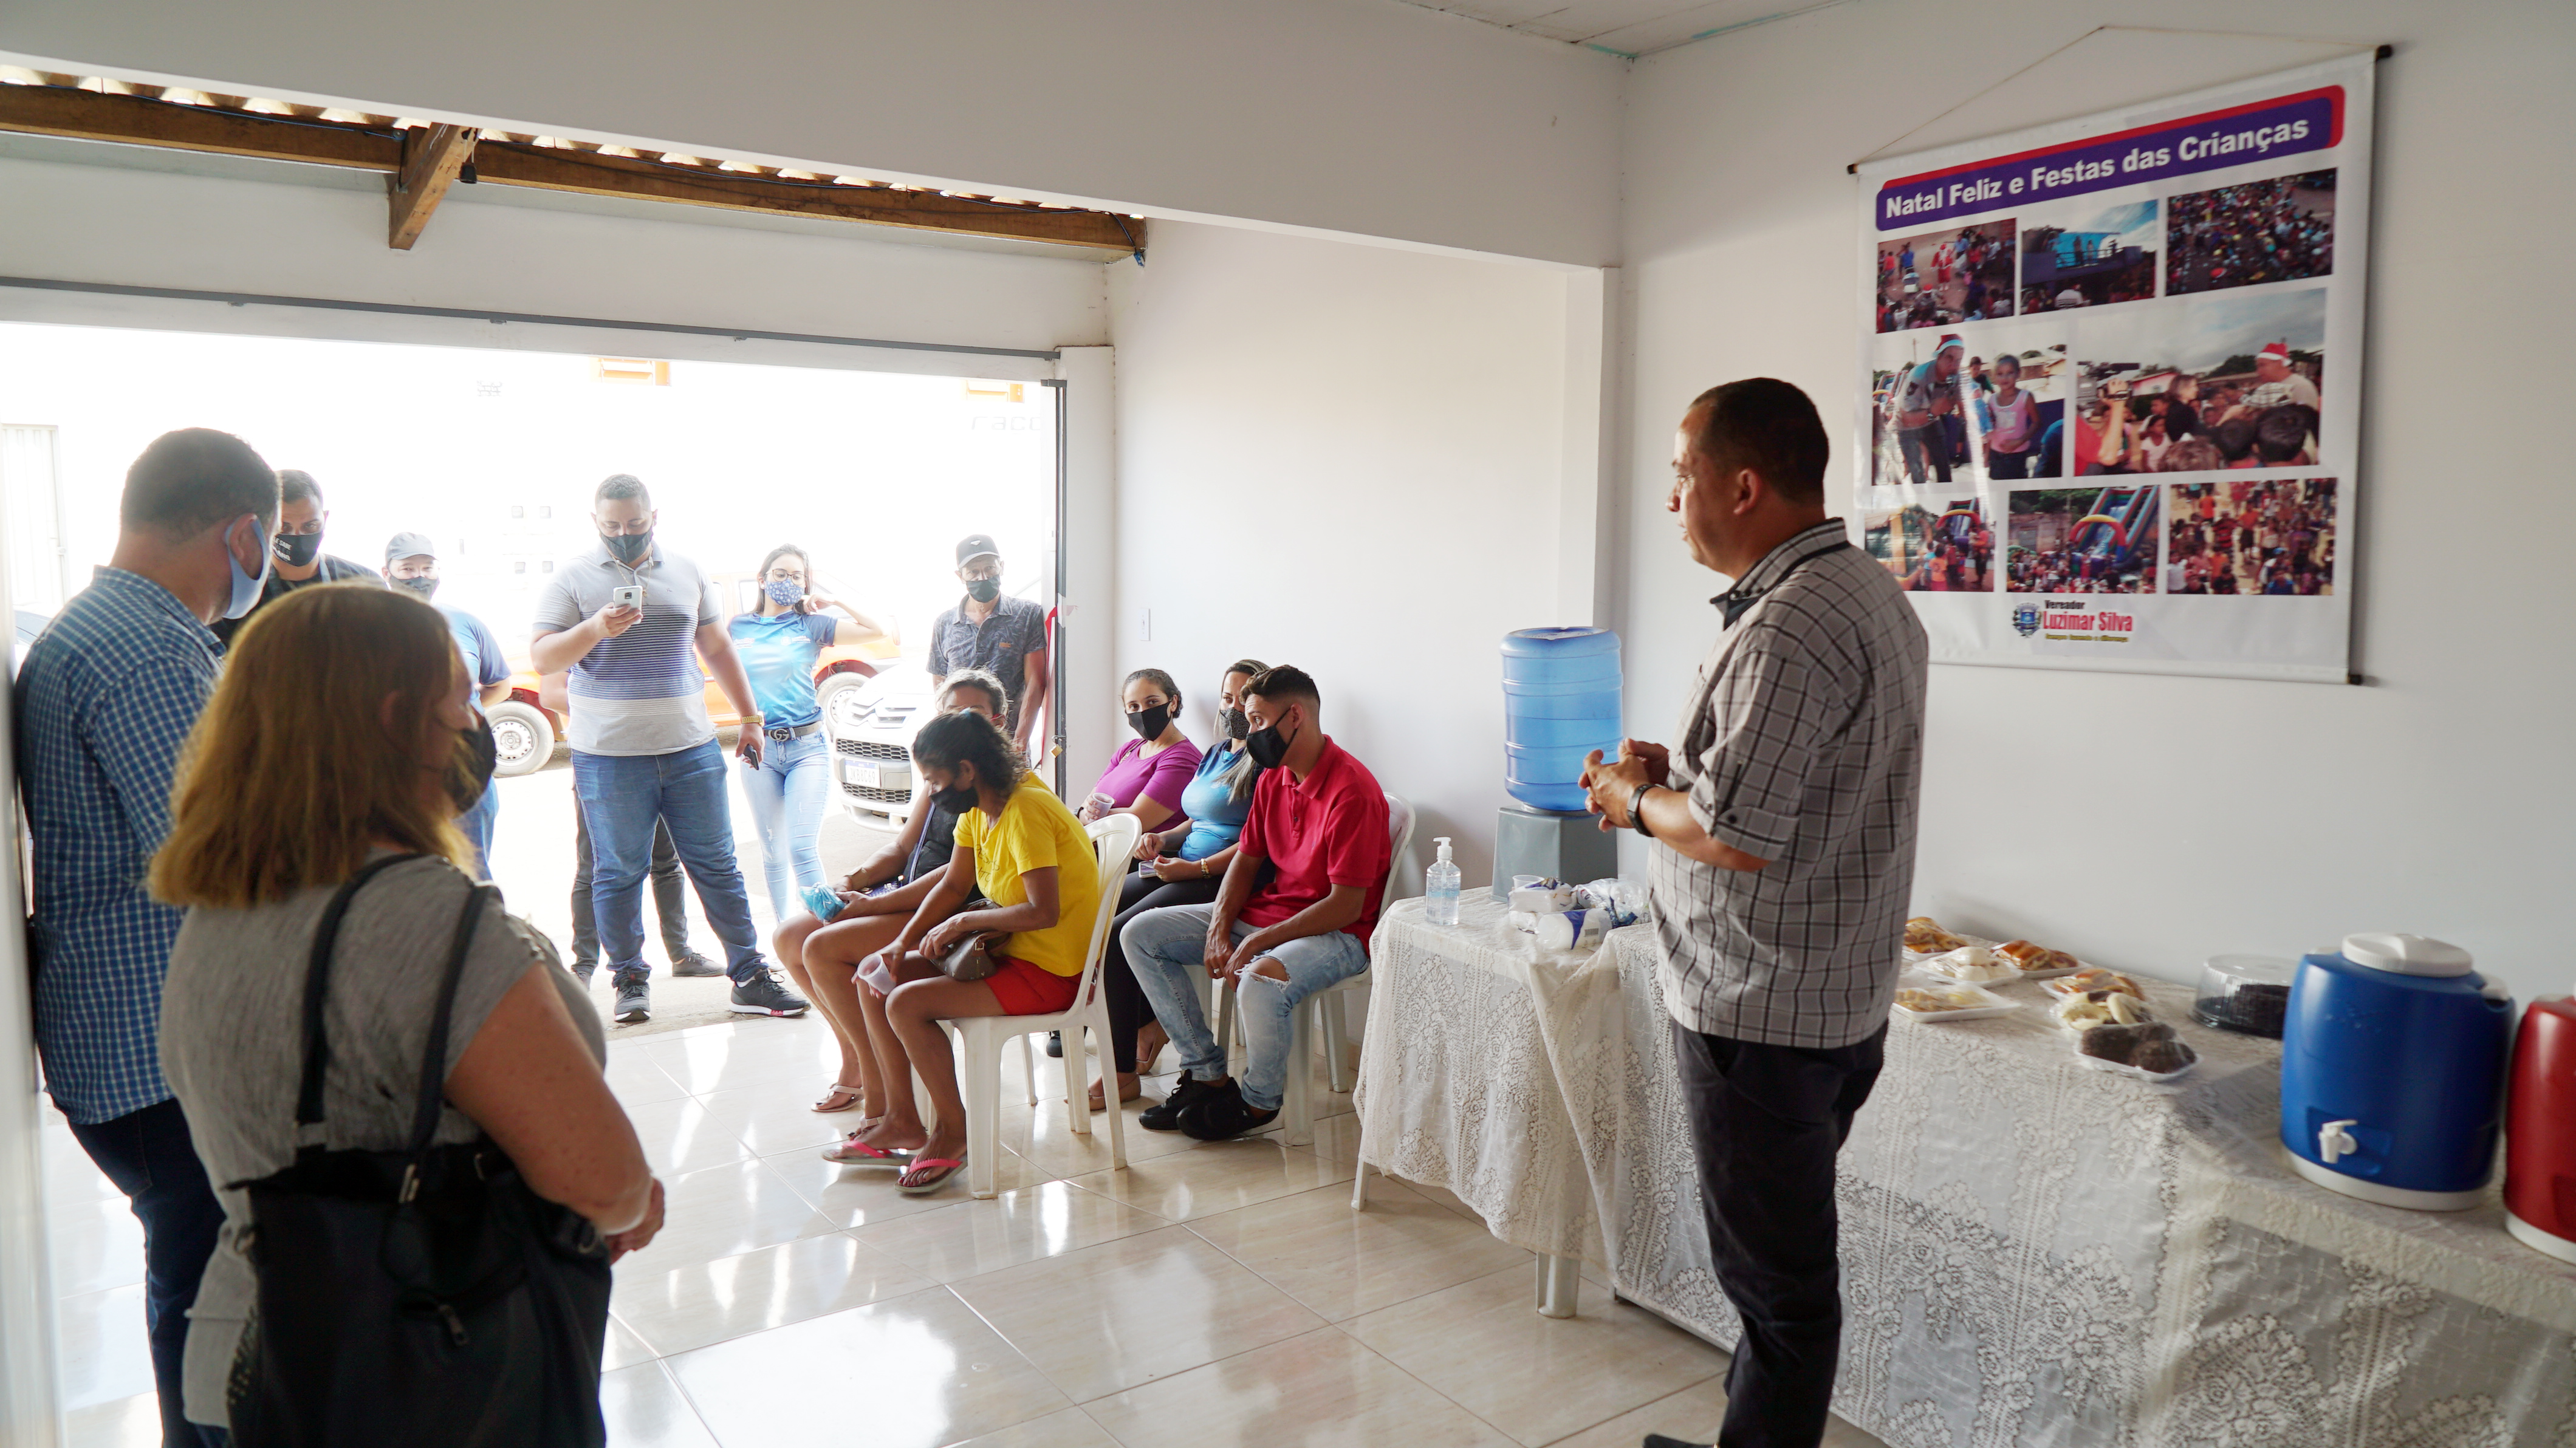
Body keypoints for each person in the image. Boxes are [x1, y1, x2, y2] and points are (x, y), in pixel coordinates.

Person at [152, 583, 662, 1439]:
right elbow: (602, 1180)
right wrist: (627, 1198)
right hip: (411, 1371)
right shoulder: (417, 915)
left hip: (241, 1364)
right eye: (459, 699)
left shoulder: (225, 899)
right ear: (397, 720)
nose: (473, 727)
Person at [1579, 378, 1925, 1448]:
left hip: (1760, 1012)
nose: (1673, 496)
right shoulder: (1862, 588)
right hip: (1825, 994)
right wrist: (1675, 771)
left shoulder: (1792, 623)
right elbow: (1775, 791)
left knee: (1782, 1297)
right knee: (1770, 1276)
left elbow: (1734, 834)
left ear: (1742, 482)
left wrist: (1634, 799)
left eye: (1682, 474)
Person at [16, 428, 278, 1447]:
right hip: (157, 1049)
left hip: (117, 1037)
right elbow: (213, 853)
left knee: (196, 1278)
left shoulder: (95, 628)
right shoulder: (149, 647)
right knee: (214, 1300)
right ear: (246, 531)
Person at [530, 474, 807, 1025]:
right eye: (612, 526)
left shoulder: (687, 570)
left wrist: (750, 718)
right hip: (607, 756)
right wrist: (596, 628)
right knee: (617, 871)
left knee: (717, 864)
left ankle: (749, 975)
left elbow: (716, 645)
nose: (624, 534)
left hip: (690, 747)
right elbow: (543, 659)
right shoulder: (572, 579)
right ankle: (630, 979)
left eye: (635, 524)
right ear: (595, 523)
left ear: (655, 517)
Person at [834, 709, 1103, 1194]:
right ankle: (901, 1120)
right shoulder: (979, 808)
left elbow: (1043, 911)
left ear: (967, 770)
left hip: (1053, 968)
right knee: (876, 977)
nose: (932, 793)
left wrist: (964, 920)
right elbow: (954, 883)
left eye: (936, 781)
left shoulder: (1024, 810)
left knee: (906, 1002)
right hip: (1009, 952)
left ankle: (953, 1132)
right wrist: (900, 943)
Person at [1123, 665, 1390, 1142]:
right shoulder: (1273, 778)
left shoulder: (1353, 791)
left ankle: (1257, 1102)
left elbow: (1347, 905)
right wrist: (1219, 929)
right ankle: (1206, 1074)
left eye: (1259, 722)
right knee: (1138, 934)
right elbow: (1245, 862)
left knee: (1260, 980)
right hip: (1270, 916)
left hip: (1337, 934)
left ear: (1296, 717)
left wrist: (1261, 943)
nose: (1250, 733)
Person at [776, 670, 1007, 1127]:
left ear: (997, 722)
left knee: (821, 948)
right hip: (907, 896)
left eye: (972, 713)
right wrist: (853, 881)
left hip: (950, 910)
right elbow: (902, 848)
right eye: (950, 712)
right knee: (790, 937)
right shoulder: (941, 778)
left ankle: (878, 1074)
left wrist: (874, 905)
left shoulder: (991, 784)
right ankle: (855, 1054)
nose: (959, 723)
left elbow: (958, 878)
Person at [1091, 660, 1266, 1108]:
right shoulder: (1216, 752)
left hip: (1220, 877)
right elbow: (1196, 818)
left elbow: (1255, 841)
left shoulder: (1265, 763)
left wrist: (1194, 869)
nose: (1233, 706)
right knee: (1101, 910)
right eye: (1228, 697)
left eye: (1244, 697)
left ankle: (1121, 1069)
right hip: (1180, 862)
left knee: (1117, 933)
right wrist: (1163, 839)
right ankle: (1143, 1025)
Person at [728, 543, 885, 920]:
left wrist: (836, 603)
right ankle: (786, 935)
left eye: (797, 576)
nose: (788, 582)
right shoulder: (737, 627)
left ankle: (826, 929)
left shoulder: (811, 625)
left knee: (800, 847)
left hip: (807, 748)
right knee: (772, 850)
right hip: (759, 751)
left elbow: (875, 629)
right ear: (762, 580)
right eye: (780, 574)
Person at [540, 671, 723, 989]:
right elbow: (550, 693)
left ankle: (680, 954)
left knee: (667, 863)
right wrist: (620, 712)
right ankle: (584, 965)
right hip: (606, 763)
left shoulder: (653, 635)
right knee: (596, 867)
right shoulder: (582, 630)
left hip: (665, 758)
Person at [385, 531, 510, 877]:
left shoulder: (466, 623)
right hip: (399, 774)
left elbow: (499, 684)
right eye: (408, 568)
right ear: (387, 572)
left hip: (466, 770)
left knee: (474, 873)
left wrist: (460, 714)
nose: (419, 576)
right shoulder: (371, 627)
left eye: (427, 567)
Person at [208, 469, 380, 646]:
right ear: (265, 523)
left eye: (310, 526)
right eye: (285, 527)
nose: (298, 536)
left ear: (325, 518)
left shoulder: (366, 585)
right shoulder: (236, 595)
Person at [927, 533, 1050, 754]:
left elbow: (1036, 682)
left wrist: (1020, 742)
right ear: (960, 576)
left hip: (1008, 747)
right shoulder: (945, 624)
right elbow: (941, 688)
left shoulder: (1026, 615)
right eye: (973, 572)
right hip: (959, 747)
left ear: (1002, 567)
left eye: (990, 568)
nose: (983, 577)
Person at [1891, 335, 1962, 485]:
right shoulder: (1919, 376)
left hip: (1931, 420)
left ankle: (1946, 498)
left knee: (1944, 468)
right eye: (1949, 358)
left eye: (1958, 360)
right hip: (1906, 425)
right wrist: (1934, 411)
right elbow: (1906, 418)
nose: (1954, 364)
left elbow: (1962, 407)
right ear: (1939, 357)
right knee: (1917, 475)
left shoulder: (1956, 376)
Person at [1981, 353, 2039, 480]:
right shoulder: (1991, 400)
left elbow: (2037, 423)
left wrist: (2019, 442)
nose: (2004, 378)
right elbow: (1990, 429)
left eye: (2010, 373)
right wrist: (1986, 455)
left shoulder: (2025, 397)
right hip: (1996, 454)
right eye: (2000, 374)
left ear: (2018, 374)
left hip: (2017, 455)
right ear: (1994, 376)